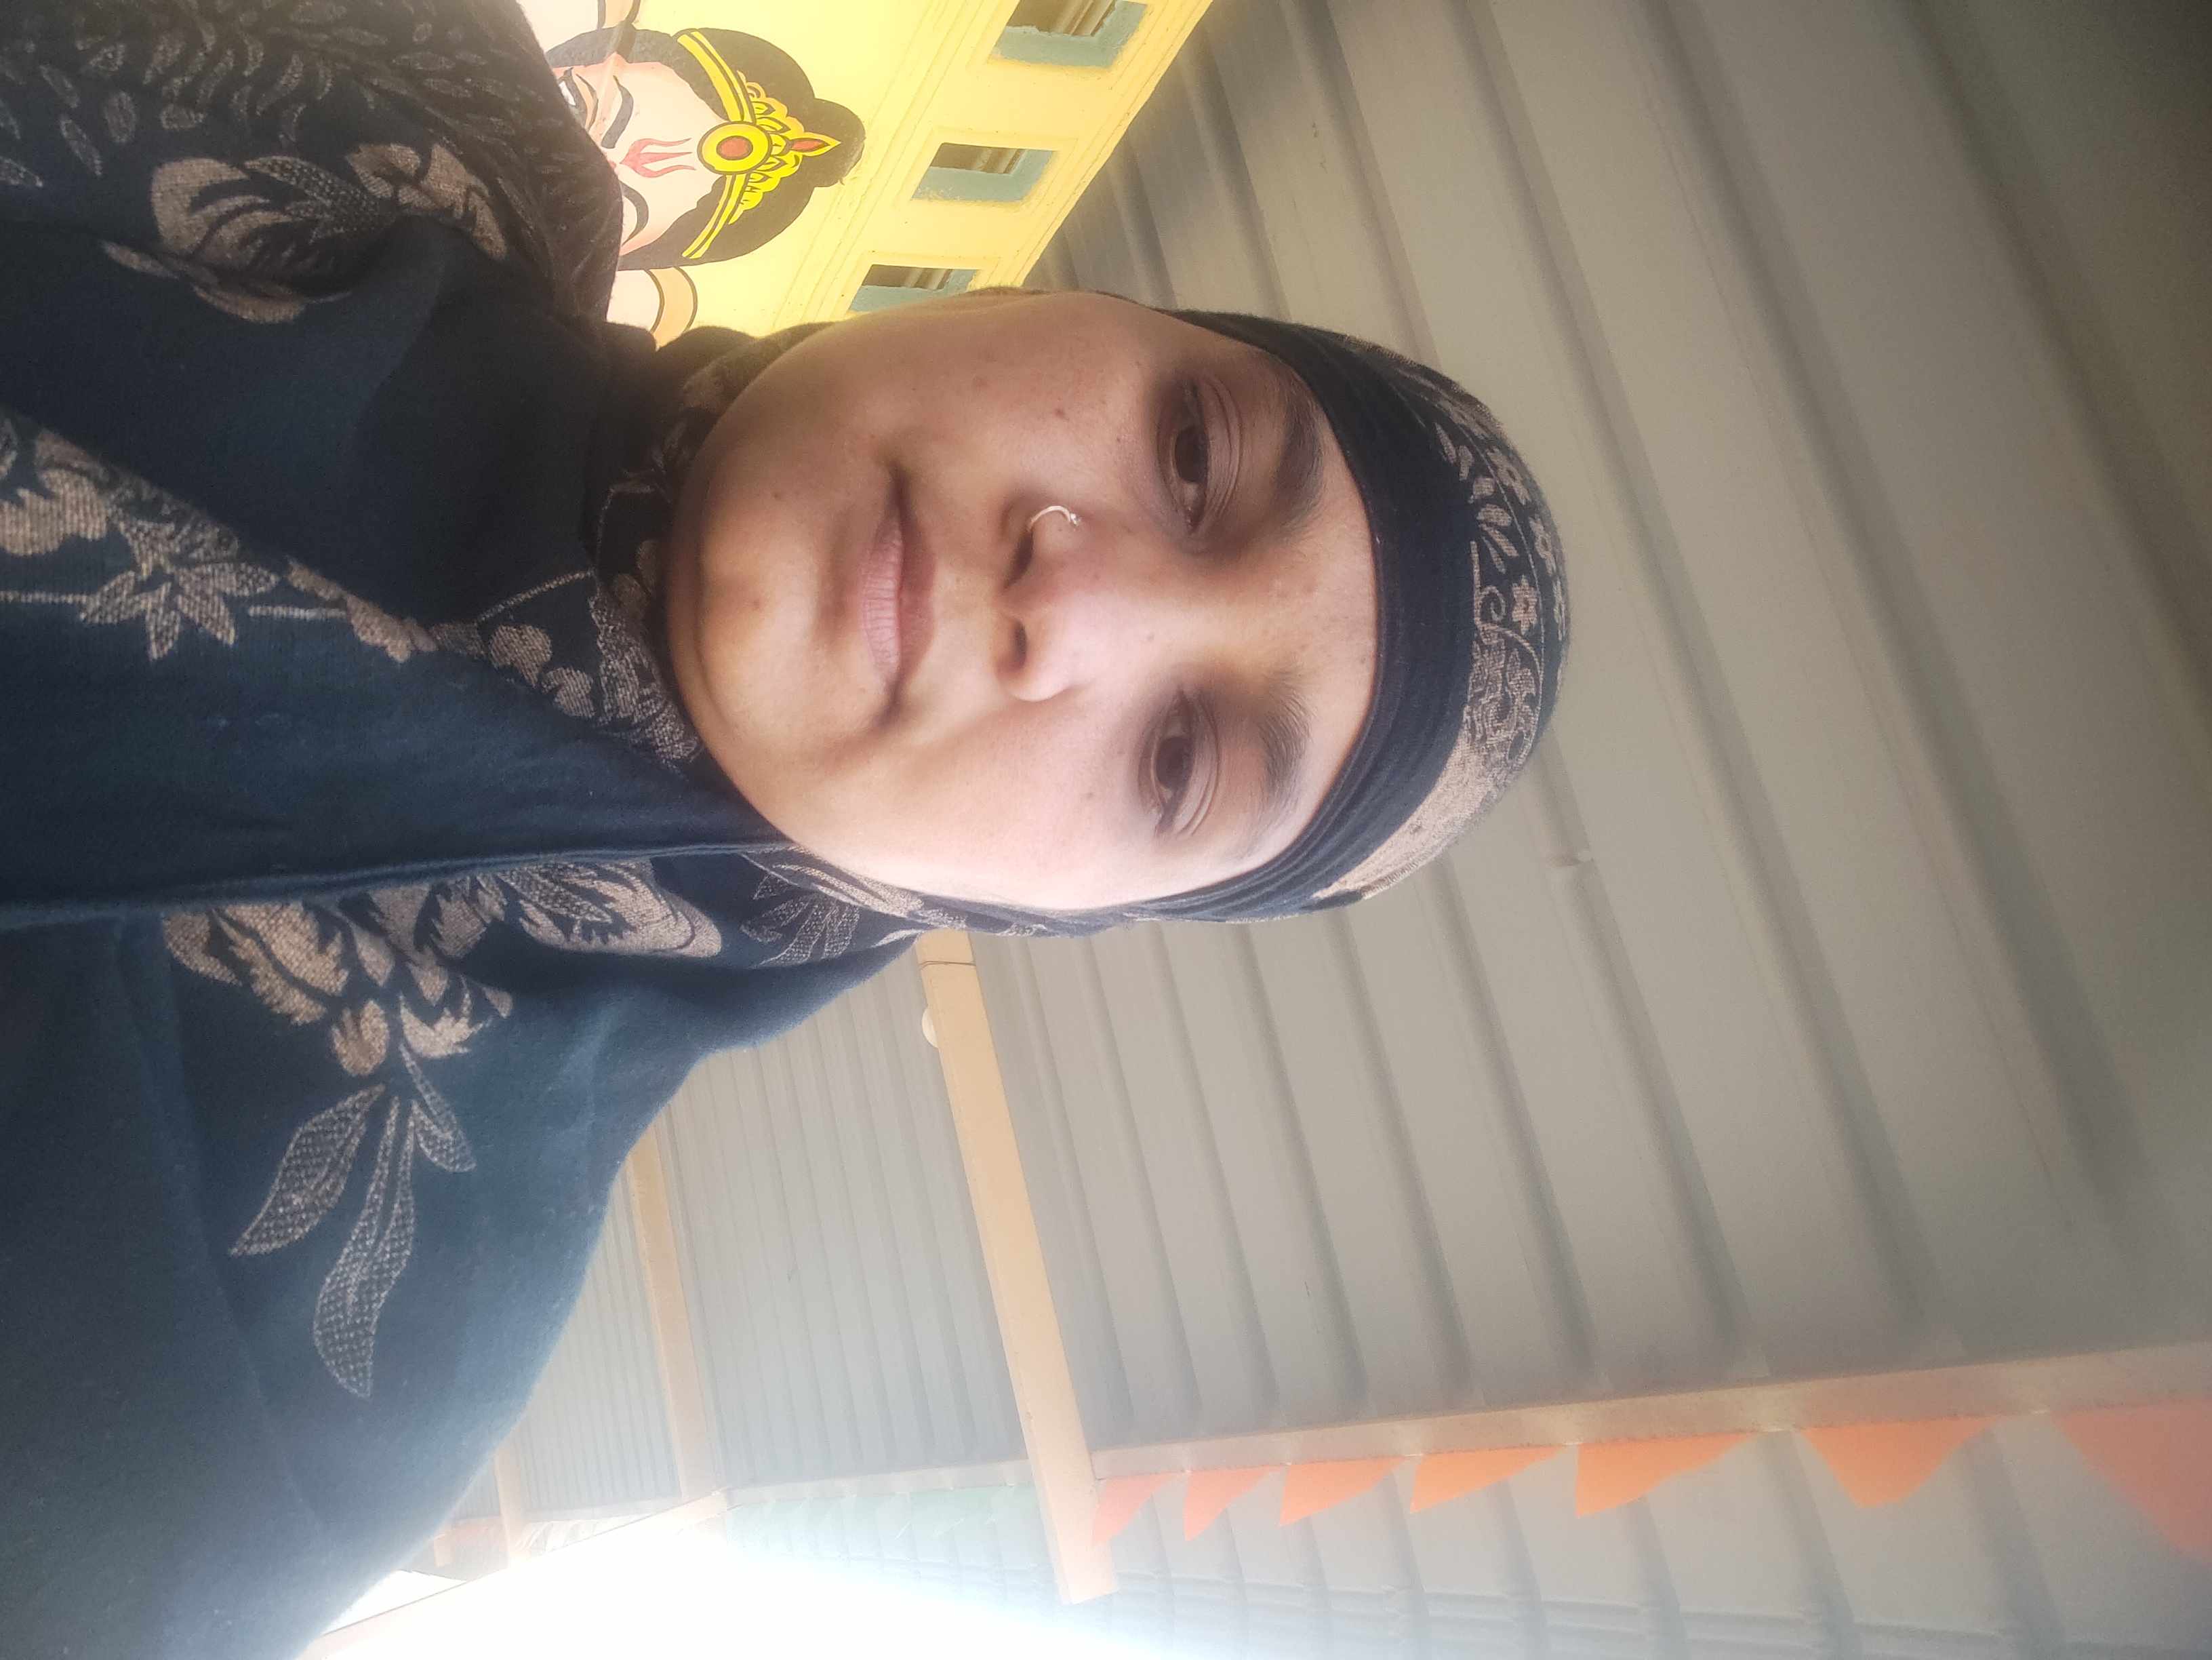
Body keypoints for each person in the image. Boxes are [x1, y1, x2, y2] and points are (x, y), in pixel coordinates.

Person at [0, 1, 1565, 1656]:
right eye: (1194, 452)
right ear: (1057, 305)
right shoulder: (427, 89)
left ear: (1036, 914)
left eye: (1180, 762)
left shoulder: (261, 1401)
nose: (1073, 602)